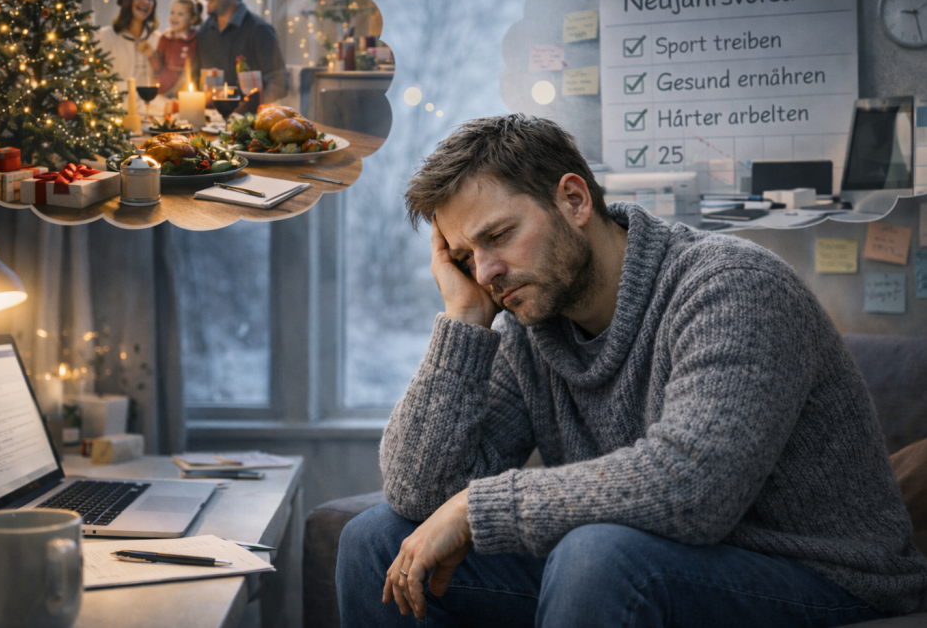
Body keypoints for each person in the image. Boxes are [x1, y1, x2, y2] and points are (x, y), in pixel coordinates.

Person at [336, 114, 927, 627]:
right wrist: (465, 320)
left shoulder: (732, 285)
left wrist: (476, 507)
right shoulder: (529, 328)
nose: (486, 271)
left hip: (824, 577)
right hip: (654, 563)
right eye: (466, 258)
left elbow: (694, 487)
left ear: (574, 200)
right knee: (374, 541)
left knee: (596, 556)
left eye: (499, 236)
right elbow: (418, 493)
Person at [195, 0, 287, 103]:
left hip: (246, 122)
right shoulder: (203, 32)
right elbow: (194, 78)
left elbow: (279, 82)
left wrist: (254, 116)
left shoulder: (260, 30)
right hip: (209, 123)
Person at [97, 0, 160, 87]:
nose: (145, 1)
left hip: (152, 104)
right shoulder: (106, 36)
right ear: (127, 0)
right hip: (116, 103)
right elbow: (98, 79)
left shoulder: (159, 39)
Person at [149, 0, 204, 96]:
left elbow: (193, 68)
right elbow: (158, 66)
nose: (174, 17)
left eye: (180, 14)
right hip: (162, 90)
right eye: (172, 12)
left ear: (192, 19)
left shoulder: (195, 40)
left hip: (184, 91)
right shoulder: (165, 38)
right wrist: (151, 55)